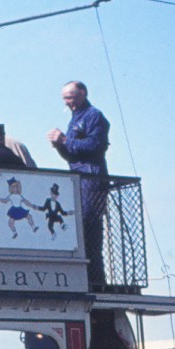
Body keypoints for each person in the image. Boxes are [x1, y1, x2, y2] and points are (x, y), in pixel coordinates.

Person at [46, 81, 111, 284]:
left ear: (82, 94)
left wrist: (65, 141)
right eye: (65, 98)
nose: (68, 102)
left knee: (90, 225)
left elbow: (95, 145)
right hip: (78, 177)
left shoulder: (94, 116)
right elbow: (72, 155)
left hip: (91, 177)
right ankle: (89, 276)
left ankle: (97, 279)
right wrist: (59, 146)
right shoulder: (75, 118)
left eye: (71, 97)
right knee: (82, 227)